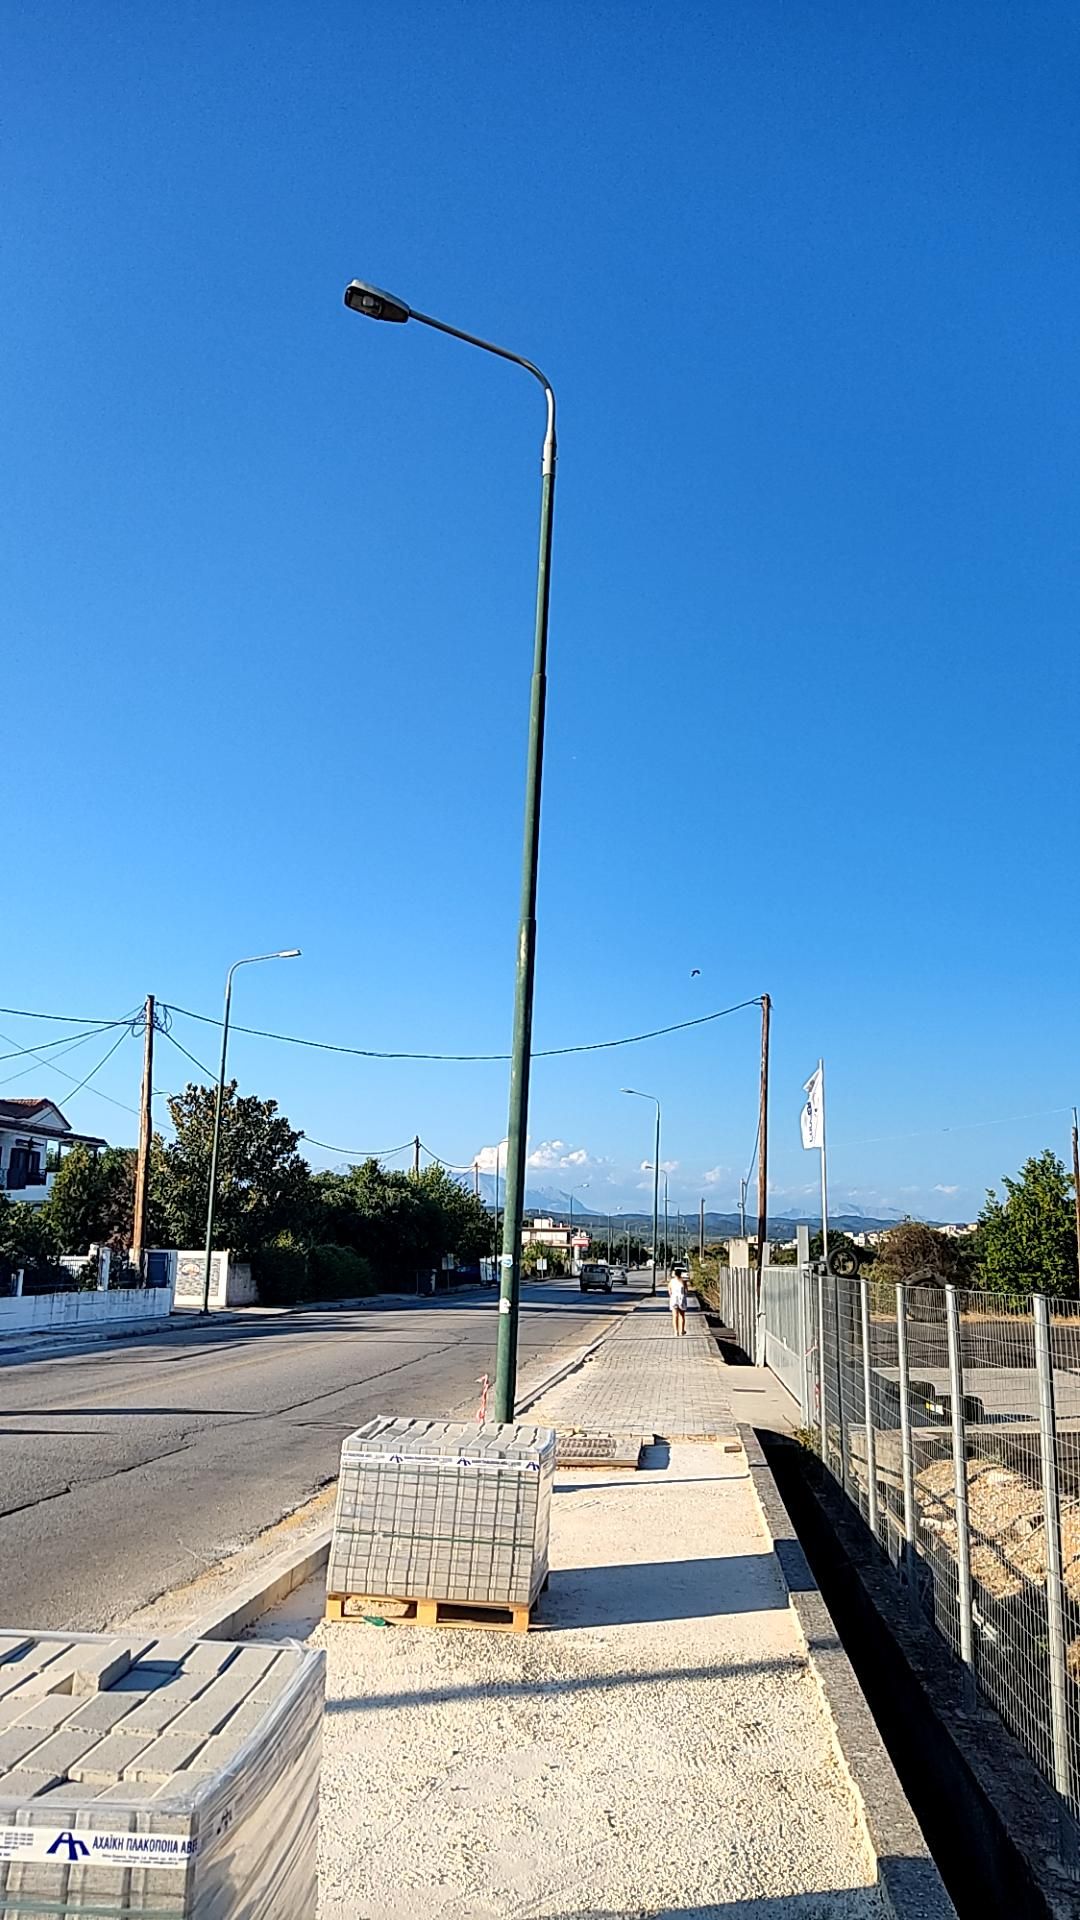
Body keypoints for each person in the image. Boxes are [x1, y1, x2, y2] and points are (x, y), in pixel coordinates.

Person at [667, 1267, 687, 1336]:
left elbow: (669, 1291)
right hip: (681, 1299)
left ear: (674, 1274)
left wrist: (672, 1295)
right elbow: (686, 1291)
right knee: (682, 1315)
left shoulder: (671, 1281)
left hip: (674, 1299)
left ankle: (676, 1331)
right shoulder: (683, 1281)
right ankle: (682, 1331)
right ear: (680, 1274)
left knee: (675, 1316)